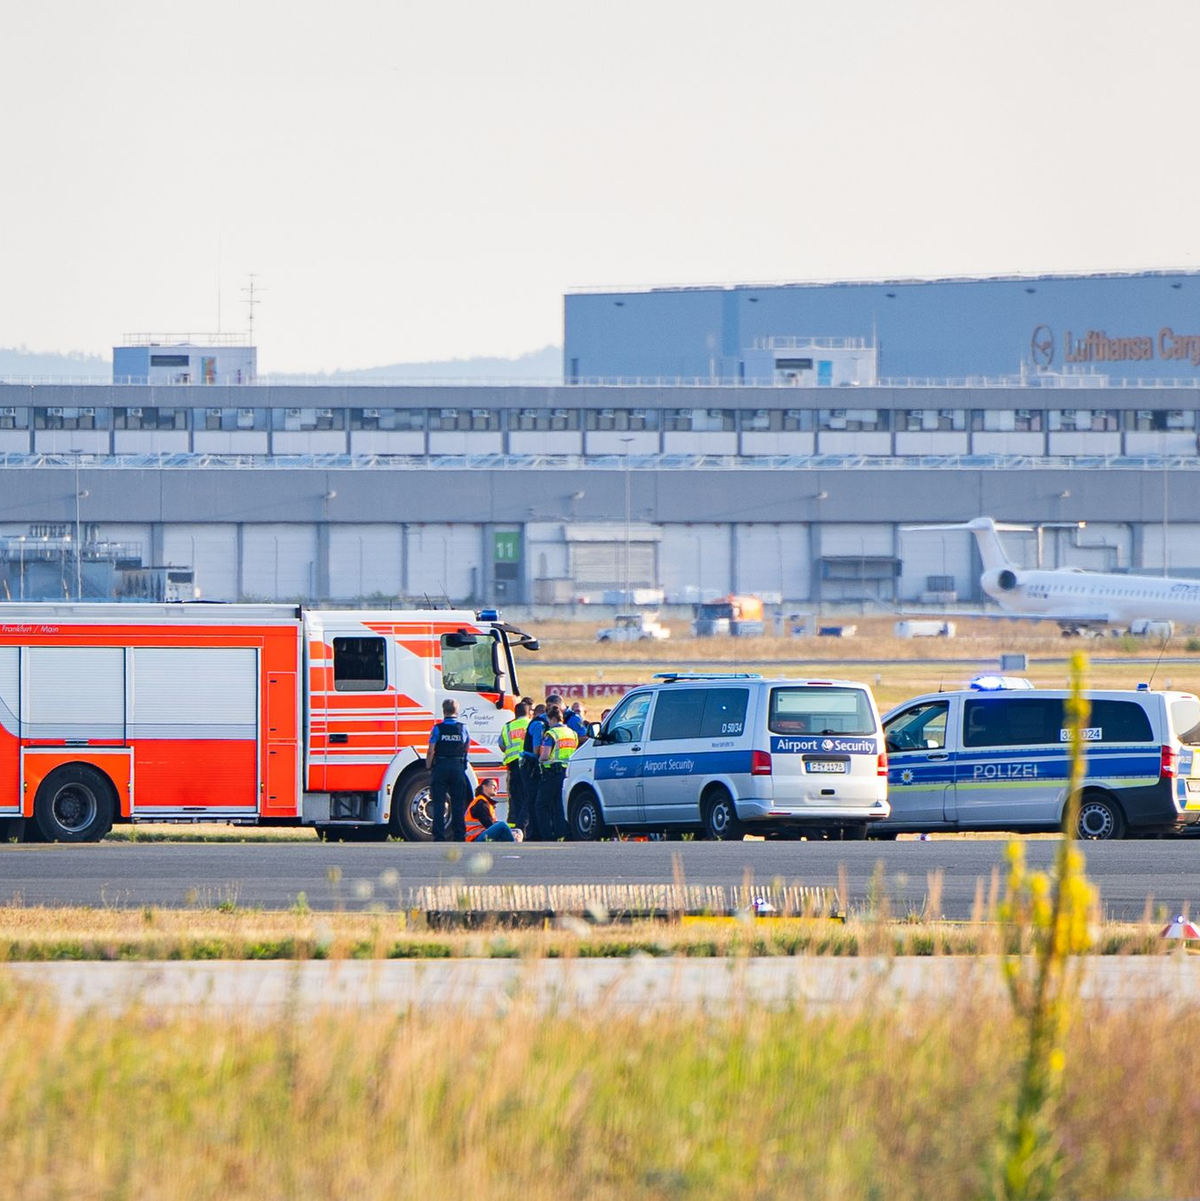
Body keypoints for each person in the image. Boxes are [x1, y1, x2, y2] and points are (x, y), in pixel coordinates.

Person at [425, 698, 471, 842]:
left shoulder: (437, 728)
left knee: (438, 802)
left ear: (443, 711)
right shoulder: (463, 728)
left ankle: (438, 836)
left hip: (441, 766)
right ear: (456, 711)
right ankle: (459, 835)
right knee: (458, 802)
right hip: (457, 767)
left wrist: (428, 765)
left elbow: (431, 750)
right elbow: (466, 747)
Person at [536, 704, 578, 840]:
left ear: (552, 719)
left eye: (548, 720)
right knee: (560, 805)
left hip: (552, 773)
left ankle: (547, 836)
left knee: (541, 805)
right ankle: (562, 833)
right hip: (568, 773)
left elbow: (545, 756)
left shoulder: (551, 734)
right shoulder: (572, 733)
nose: (548, 723)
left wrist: (539, 761)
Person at [498, 701, 531, 832]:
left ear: (515, 713)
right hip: (528, 764)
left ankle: (517, 828)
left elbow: (501, 745)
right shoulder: (531, 724)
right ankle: (524, 828)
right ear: (528, 712)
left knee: (516, 797)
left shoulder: (508, 727)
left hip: (513, 765)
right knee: (528, 796)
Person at [521, 702, 548, 839]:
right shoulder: (539, 724)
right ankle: (530, 833)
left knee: (529, 800)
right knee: (532, 800)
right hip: (530, 766)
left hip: (527, 765)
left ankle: (528, 831)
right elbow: (536, 750)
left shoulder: (538, 723)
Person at [465, 777, 517, 842]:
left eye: (497, 787)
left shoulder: (487, 802)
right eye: (493, 785)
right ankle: (513, 846)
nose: (496, 788)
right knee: (502, 825)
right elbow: (488, 824)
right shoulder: (480, 802)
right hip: (475, 838)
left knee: (518, 831)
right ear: (484, 787)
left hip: (483, 834)